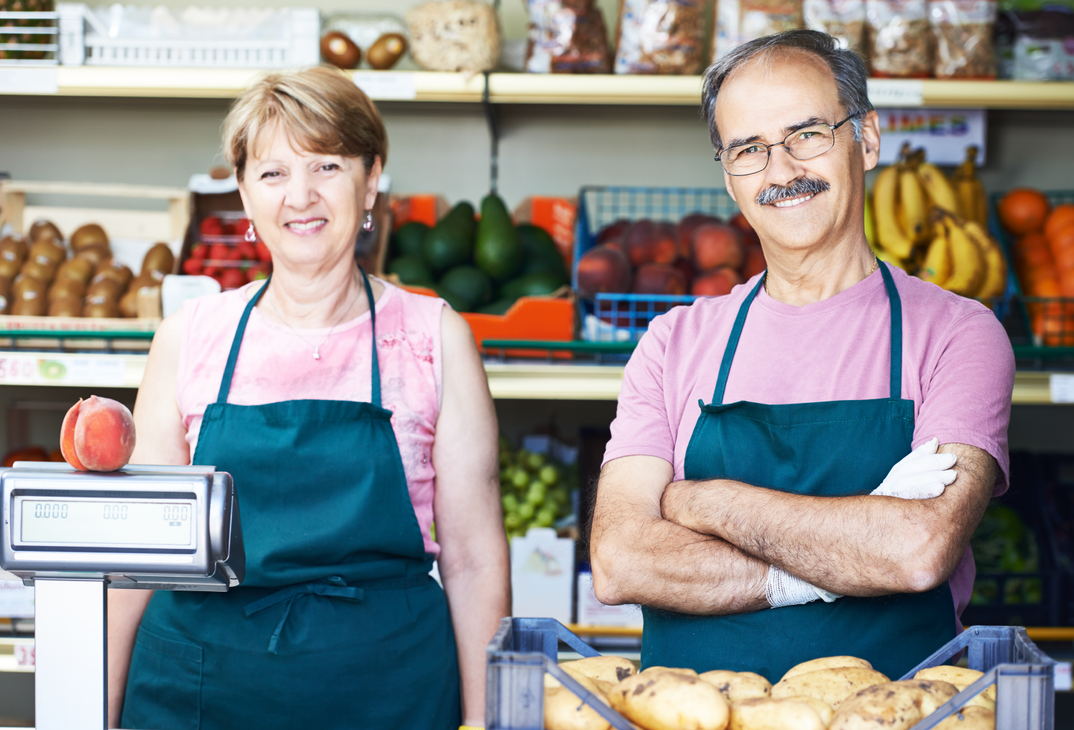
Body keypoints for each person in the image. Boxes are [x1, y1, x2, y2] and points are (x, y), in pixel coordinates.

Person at [589, 30, 1015, 683]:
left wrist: (706, 502)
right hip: (695, 719)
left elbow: (917, 550)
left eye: (807, 134)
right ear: (728, 173)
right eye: (749, 150)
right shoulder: (673, 344)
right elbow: (621, 560)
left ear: (866, 140)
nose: (782, 171)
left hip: (892, 718)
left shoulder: (958, 334)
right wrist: (842, 555)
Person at [108, 65, 510, 729]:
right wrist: (92, 710)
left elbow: (473, 559)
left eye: (327, 165)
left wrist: (487, 719)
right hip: (199, 690)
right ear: (243, 190)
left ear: (372, 176)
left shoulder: (434, 337)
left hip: (392, 693)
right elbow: (139, 562)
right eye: (272, 173)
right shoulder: (189, 339)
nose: (301, 196)